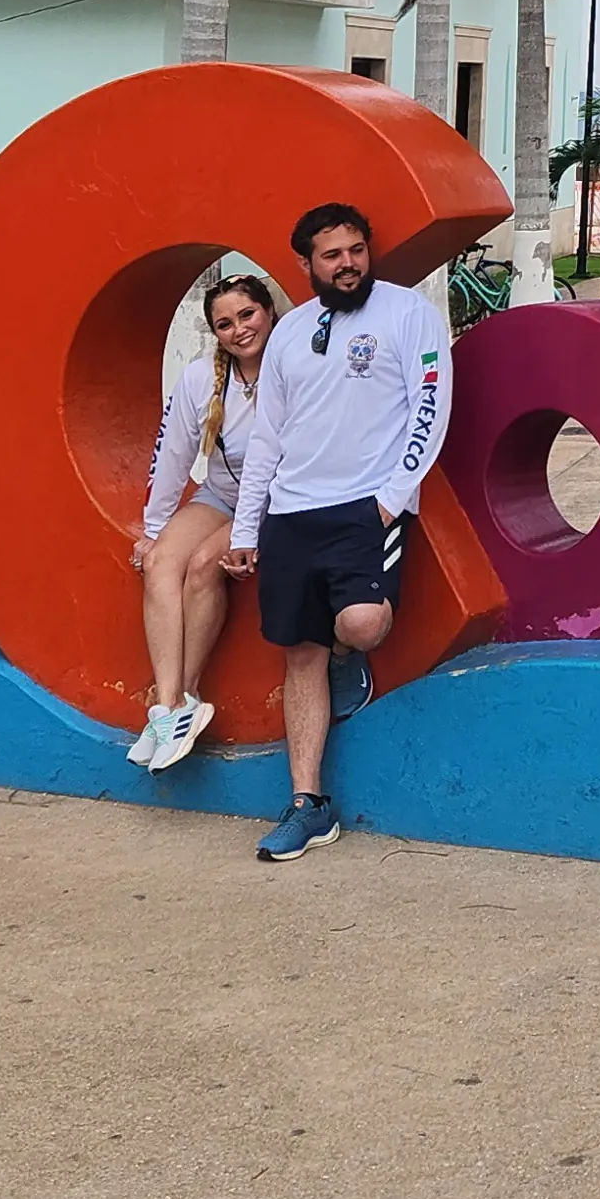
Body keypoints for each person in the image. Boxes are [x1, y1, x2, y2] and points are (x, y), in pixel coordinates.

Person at [222, 203, 453, 862]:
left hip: (364, 508)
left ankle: (348, 658)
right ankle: (308, 805)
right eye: (332, 255)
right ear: (306, 265)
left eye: (356, 249)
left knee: (359, 625)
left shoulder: (407, 314)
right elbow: (269, 435)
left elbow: (430, 405)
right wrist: (248, 525)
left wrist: (392, 499)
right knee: (300, 655)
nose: (347, 262)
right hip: (291, 513)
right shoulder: (291, 331)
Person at [129, 272, 279, 772]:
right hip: (220, 494)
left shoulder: (293, 368)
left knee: (201, 566)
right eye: (224, 324)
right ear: (214, 333)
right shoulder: (201, 378)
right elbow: (172, 455)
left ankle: (188, 694)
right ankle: (169, 706)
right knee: (163, 562)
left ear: (269, 312)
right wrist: (153, 529)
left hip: (277, 502)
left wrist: (248, 533)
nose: (239, 330)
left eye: (247, 315)